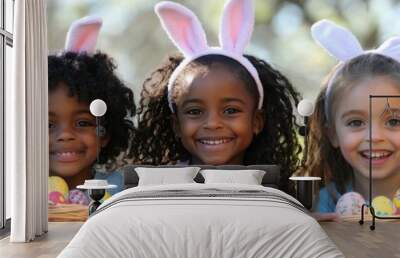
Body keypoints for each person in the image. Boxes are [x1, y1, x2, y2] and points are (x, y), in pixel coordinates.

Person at [129, 0, 302, 192]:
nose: (212, 123)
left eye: (230, 110)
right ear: (176, 124)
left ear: (257, 121)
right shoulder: (156, 190)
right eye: (195, 111)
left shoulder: (277, 190)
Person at [303, 19, 400, 216]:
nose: (374, 137)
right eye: (356, 122)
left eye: (394, 121)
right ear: (332, 134)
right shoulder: (323, 206)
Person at [48, 16, 135, 200]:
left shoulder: (121, 191)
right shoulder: (17, 193)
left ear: (105, 133)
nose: (65, 135)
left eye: (82, 122)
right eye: (48, 125)